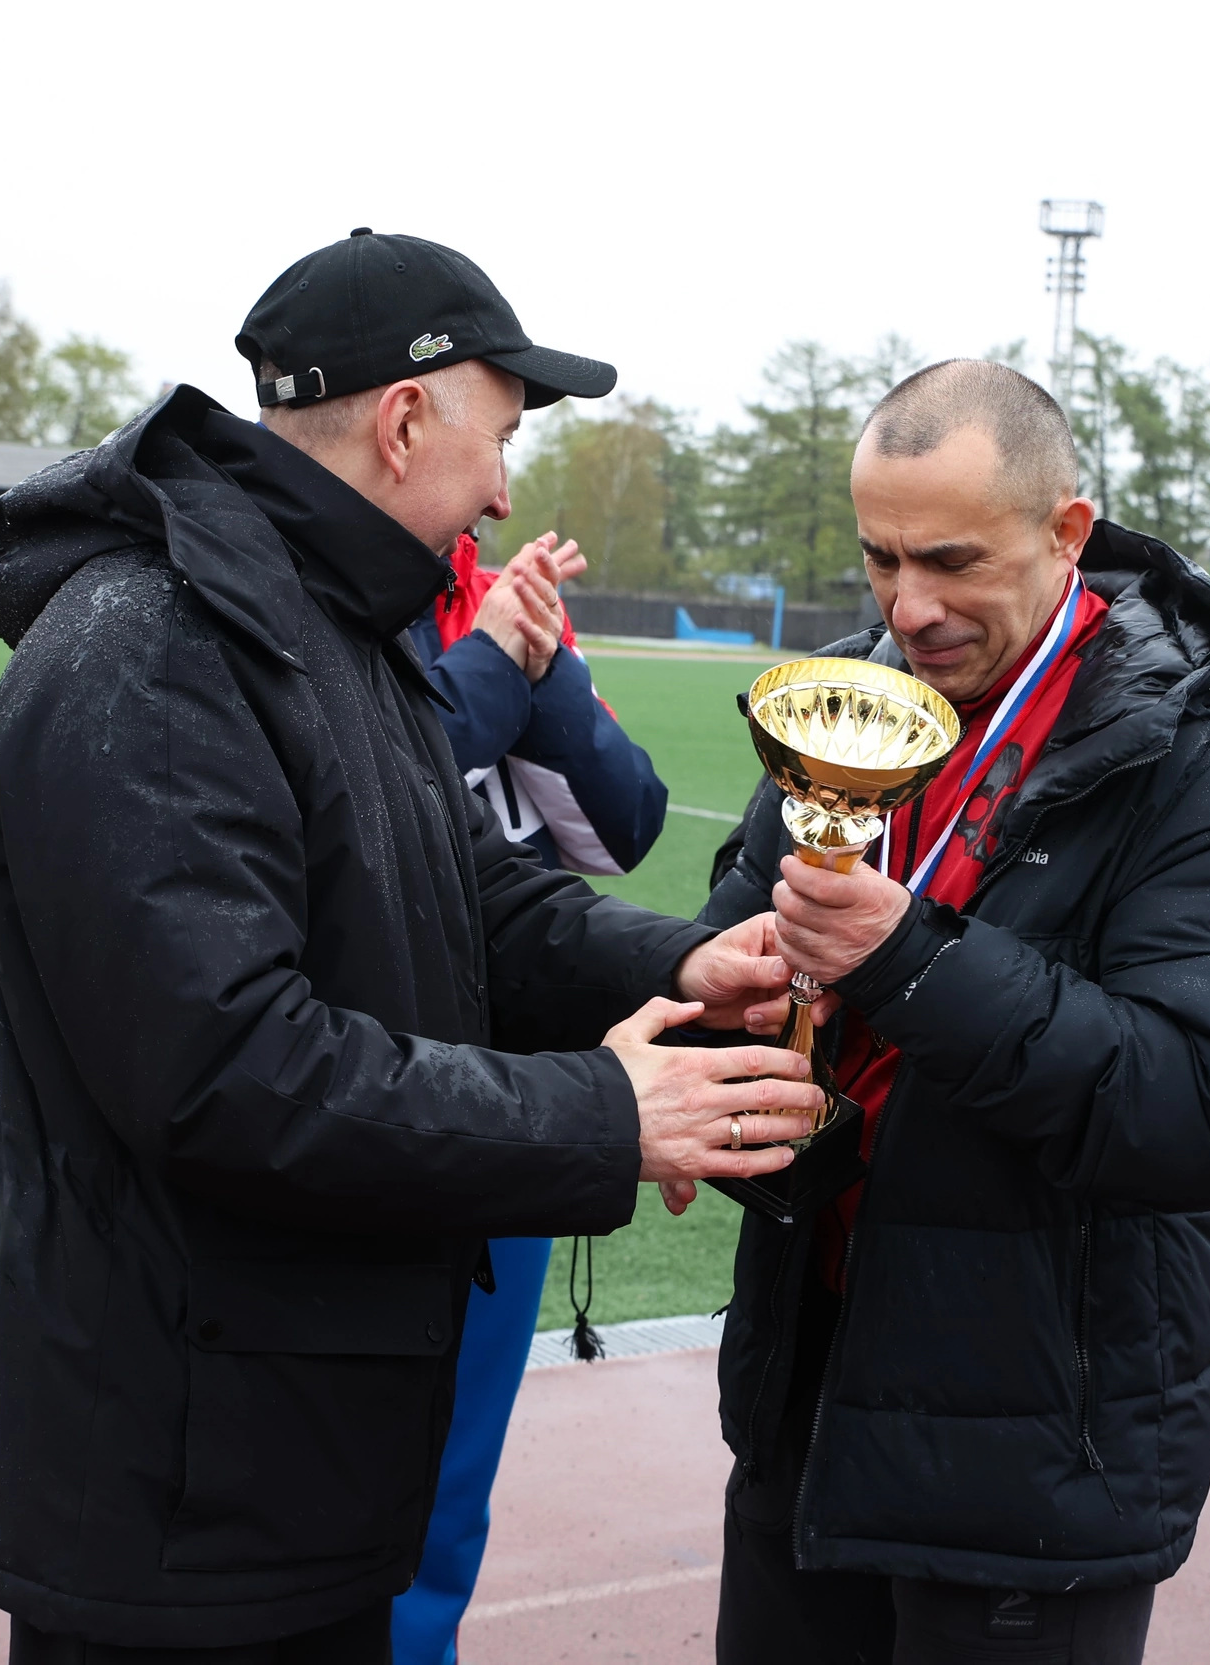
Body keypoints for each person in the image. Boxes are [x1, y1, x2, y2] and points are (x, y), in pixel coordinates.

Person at [0, 228, 825, 1664]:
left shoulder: (327, 622)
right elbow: (228, 1069)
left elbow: (461, 886)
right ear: (406, 421)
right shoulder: (160, 644)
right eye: (502, 437)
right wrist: (606, 1115)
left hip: (285, 1456)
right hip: (184, 1497)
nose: (504, 490)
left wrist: (675, 966)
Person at [696, 359, 1210, 1664]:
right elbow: (730, 933)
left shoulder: (1207, 760)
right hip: (806, 1407)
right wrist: (724, 1019)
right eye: (880, 557)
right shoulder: (845, 706)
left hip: (1037, 1462)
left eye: (951, 561)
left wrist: (909, 963)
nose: (908, 607)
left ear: (1066, 532)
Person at [390, 524, 670, 1665]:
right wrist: (488, 668)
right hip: (375, 1106)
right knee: (342, 1490)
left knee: (451, 1487)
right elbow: (370, 794)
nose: (503, 493)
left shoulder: (496, 598)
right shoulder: (322, 598)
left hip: (519, 1106)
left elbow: (626, 825)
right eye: (495, 444)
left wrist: (544, 671)